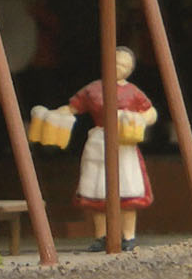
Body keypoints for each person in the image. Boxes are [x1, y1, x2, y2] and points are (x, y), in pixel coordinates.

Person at [58, 47, 157, 252]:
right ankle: (101, 236)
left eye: (126, 66)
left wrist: (139, 118)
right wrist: (56, 115)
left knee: (128, 192)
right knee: (98, 190)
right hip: (99, 141)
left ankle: (129, 236)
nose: (121, 68)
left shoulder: (132, 91)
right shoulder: (93, 89)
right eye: (117, 63)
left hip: (124, 141)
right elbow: (73, 107)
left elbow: (150, 112)